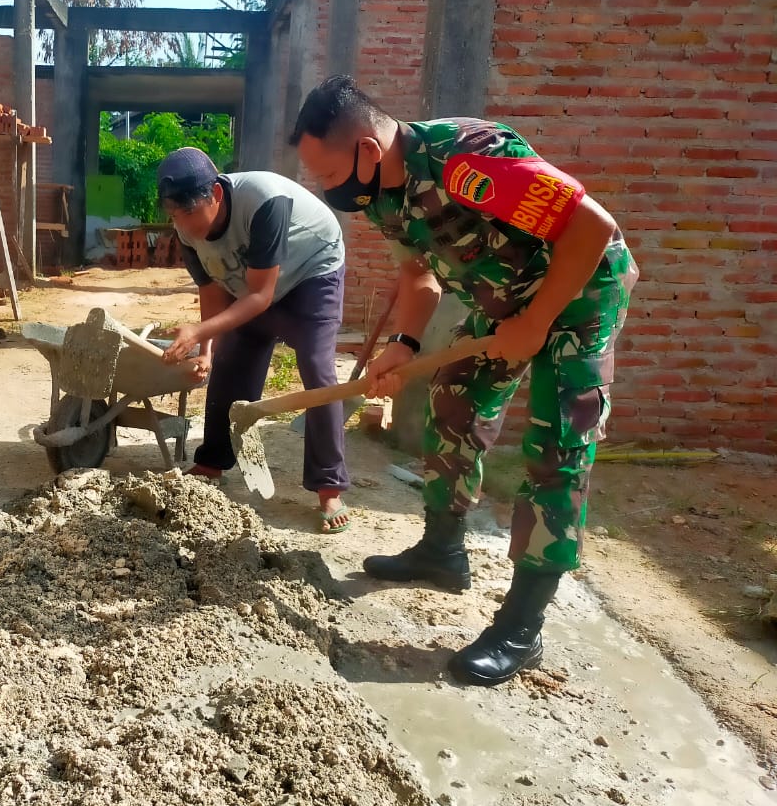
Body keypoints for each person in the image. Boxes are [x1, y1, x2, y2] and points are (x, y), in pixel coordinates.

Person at [290, 76, 637, 685]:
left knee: (557, 450)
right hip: (506, 303)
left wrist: (536, 322)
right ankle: (442, 550)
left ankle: (521, 629)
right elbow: (418, 277)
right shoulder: (382, 194)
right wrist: (403, 344)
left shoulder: (468, 160)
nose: (329, 188)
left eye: (330, 173)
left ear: (367, 150)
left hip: (580, 296)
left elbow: (592, 227)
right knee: (454, 401)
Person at [156, 147, 352, 534]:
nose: (184, 224)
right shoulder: (185, 227)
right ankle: (212, 461)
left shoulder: (264, 201)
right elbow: (212, 290)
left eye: (189, 212)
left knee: (316, 367)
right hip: (253, 281)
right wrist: (207, 350)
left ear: (215, 194)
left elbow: (261, 296)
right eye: (174, 214)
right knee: (230, 365)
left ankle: (329, 486)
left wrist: (198, 331)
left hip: (312, 272)